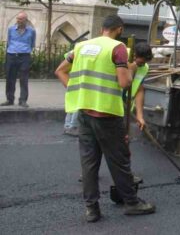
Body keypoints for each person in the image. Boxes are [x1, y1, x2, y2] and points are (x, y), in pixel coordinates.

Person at [54, 14, 155, 222]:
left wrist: (78, 90)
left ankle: (91, 209)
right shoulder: (117, 48)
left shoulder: (81, 47)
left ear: (102, 29)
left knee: (89, 163)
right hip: (107, 114)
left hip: (84, 113)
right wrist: (128, 70)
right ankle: (131, 203)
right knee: (119, 161)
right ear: (119, 29)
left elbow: (60, 71)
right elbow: (124, 83)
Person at [2, 12, 36, 107]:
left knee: (23, 79)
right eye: (17, 18)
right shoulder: (11, 29)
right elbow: (9, 41)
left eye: (20, 19)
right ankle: (9, 99)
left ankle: (23, 100)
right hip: (11, 55)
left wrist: (25, 50)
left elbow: (32, 44)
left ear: (26, 20)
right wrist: (10, 52)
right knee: (10, 78)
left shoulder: (31, 31)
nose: (18, 20)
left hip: (24, 56)